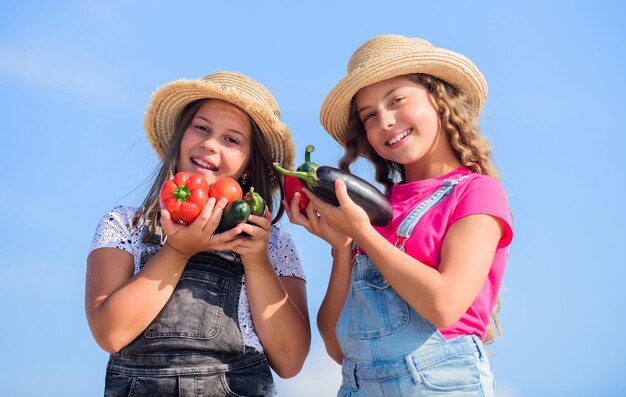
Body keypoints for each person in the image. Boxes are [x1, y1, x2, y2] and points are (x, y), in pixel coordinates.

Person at [285, 35, 513, 396]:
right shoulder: (370, 211)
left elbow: (444, 304)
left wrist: (364, 234)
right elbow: (337, 345)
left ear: (439, 101)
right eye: (370, 115)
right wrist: (343, 246)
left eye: (397, 100)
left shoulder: (476, 192)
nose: (386, 120)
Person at [86, 71, 310, 396]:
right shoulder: (126, 226)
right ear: (181, 139)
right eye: (202, 128)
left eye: (231, 139)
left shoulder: (273, 244)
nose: (209, 143)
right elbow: (111, 333)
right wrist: (177, 251)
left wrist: (257, 261)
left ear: (248, 166)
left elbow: (290, 360)